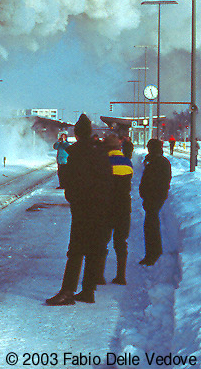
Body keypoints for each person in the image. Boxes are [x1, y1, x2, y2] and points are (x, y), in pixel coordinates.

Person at [46, 114, 112, 306]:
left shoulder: (74, 152)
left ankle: (67, 291)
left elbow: (67, 180)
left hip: (82, 207)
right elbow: (108, 178)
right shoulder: (101, 151)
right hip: (100, 206)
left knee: (75, 250)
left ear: (77, 132)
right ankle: (88, 291)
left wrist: (72, 197)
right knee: (93, 248)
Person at [97, 134, 134, 285]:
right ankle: (121, 276)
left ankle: (99, 276)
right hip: (124, 206)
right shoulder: (128, 163)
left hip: (106, 207)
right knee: (121, 242)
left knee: (101, 241)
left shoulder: (103, 162)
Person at [138, 138, 171, 266]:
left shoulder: (156, 162)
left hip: (154, 198)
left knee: (151, 226)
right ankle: (152, 253)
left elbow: (153, 181)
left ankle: (153, 254)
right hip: (154, 198)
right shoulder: (159, 161)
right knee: (151, 225)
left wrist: (148, 196)